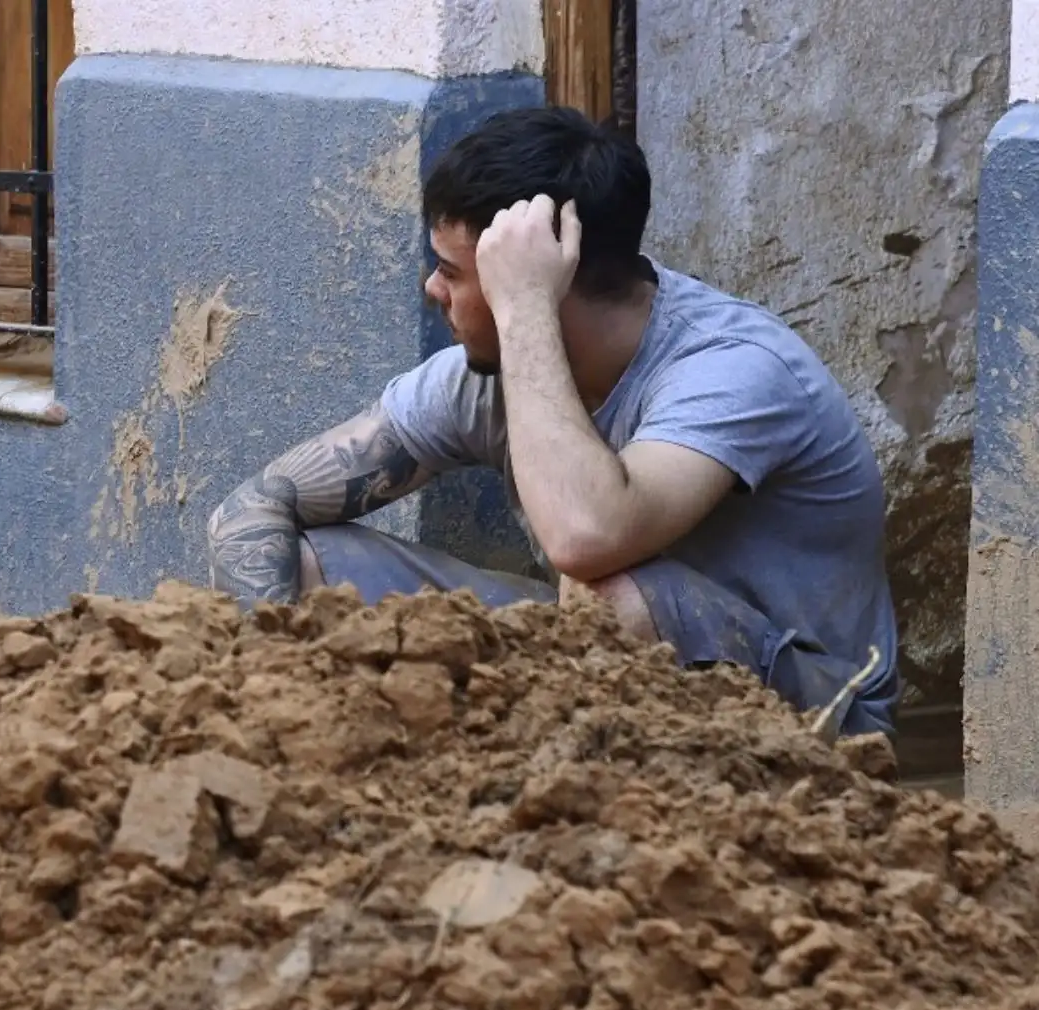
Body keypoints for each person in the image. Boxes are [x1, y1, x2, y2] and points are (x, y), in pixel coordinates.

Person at [205, 105, 899, 740]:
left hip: (814, 719)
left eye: (453, 272)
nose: (432, 290)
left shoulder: (735, 370)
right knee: (305, 563)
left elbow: (586, 537)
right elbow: (257, 506)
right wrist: (269, 686)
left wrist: (528, 309)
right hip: (603, 666)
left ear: (537, 280)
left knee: (606, 593)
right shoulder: (482, 374)